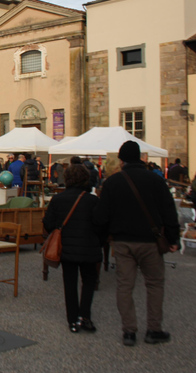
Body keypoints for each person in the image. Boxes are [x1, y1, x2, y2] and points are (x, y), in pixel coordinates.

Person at [94, 141, 180, 347]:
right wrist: (174, 238)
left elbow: (101, 215)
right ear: (140, 157)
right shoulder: (155, 180)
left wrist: (103, 237)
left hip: (123, 241)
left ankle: (129, 331)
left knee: (125, 285)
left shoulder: (112, 183)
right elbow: (169, 211)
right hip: (150, 239)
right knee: (154, 284)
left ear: (122, 159)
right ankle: (153, 329)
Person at [43, 164, 103, 333]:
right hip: (89, 246)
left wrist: (58, 229)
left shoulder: (58, 199)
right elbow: (100, 223)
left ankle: (72, 319)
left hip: (67, 247)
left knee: (70, 283)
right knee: (89, 282)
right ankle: (85, 316)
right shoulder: (92, 200)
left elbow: (48, 223)